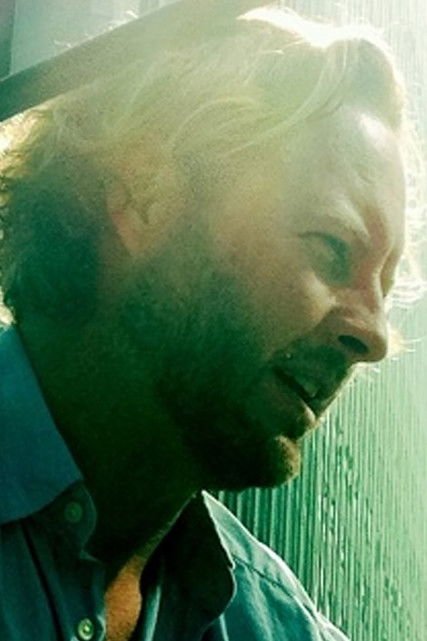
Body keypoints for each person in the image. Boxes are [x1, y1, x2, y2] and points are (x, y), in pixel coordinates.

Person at [0, 2, 416, 640]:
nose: (376, 337)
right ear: (146, 194)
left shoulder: (283, 627)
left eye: (384, 289)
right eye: (333, 248)